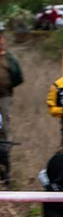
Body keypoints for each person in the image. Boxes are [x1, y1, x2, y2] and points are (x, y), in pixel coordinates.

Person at [0, 30, 24, 186]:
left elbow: (18, 77)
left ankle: (4, 166)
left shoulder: (9, 58)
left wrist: (7, 86)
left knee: (4, 129)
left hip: (4, 97)